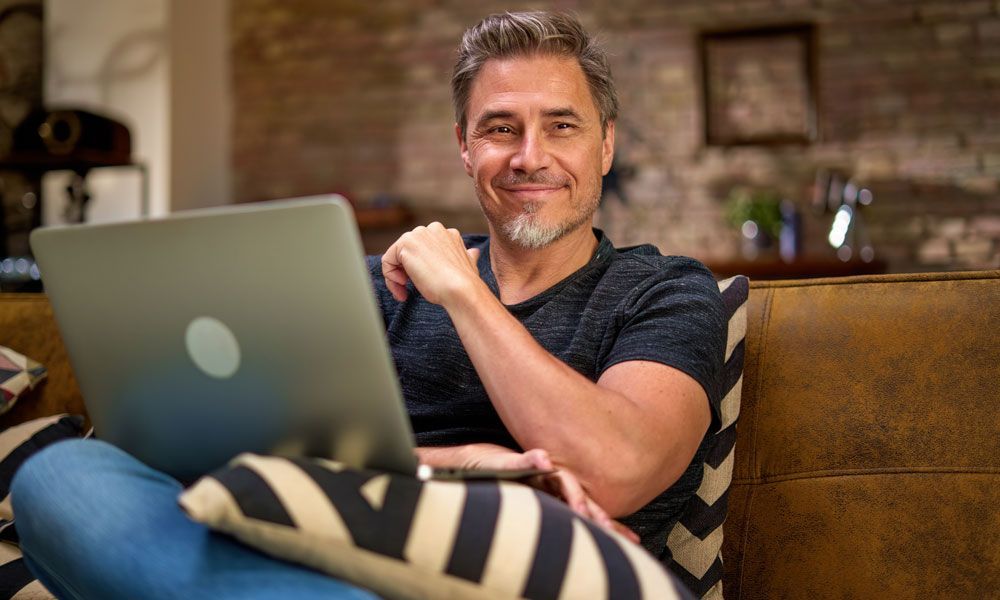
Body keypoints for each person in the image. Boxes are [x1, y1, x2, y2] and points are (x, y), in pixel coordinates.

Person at [10, 11, 725, 599]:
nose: (529, 156)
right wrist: (464, 462)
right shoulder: (373, 286)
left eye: (562, 126)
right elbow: (252, 452)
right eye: (501, 128)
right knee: (61, 477)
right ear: (464, 147)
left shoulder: (664, 291)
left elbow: (616, 470)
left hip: (527, 579)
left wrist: (465, 292)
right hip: (339, 560)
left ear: (606, 145)